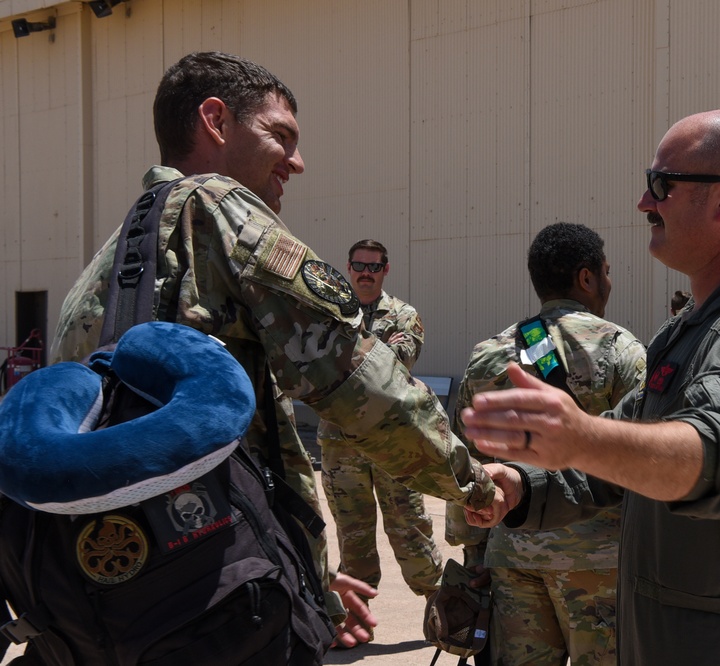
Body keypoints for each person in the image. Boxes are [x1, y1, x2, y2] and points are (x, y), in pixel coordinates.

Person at [50, 51, 498, 648]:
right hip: (216, 604)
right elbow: (359, 383)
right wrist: (475, 485)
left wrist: (309, 577)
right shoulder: (219, 208)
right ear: (215, 122)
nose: (297, 162)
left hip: (118, 597)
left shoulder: (107, 266)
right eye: (279, 136)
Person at [460, 110, 720, 664]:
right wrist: (524, 485)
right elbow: (628, 438)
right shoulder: (691, 328)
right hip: (672, 631)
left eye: (661, 185)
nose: (645, 203)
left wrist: (580, 437)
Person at [449, 222, 646, 666]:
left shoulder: (488, 353)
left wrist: (474, 554)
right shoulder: (621, 349)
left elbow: (465, 461)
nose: (608, 282)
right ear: (587, 277)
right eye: (607, 271)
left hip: (511, 555)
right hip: (598, 564)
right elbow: (643, 451)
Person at [318, 239, 444, 606]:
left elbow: (393, 365)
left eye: (374, 267)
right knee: (352, 533)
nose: (366, 274)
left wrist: (339, 356)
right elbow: (312, 363)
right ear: (349, 267)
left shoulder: (404, 315)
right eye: (359, 266)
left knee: (410, 529)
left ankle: (442, 609)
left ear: (385, 270)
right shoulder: (329, 312)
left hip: (392, 445)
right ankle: (357, 618)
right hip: (341, 445)